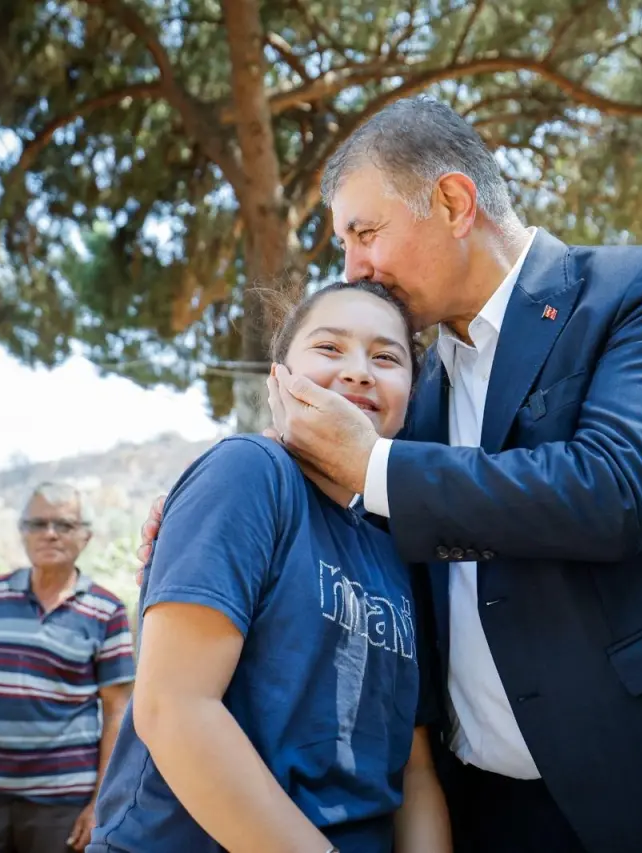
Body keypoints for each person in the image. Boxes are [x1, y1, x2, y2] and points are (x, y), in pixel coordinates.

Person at [143, 97, 642, 852]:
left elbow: (617, 489)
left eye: (364, 233)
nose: (354, 268)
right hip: (498, 817)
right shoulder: (417, 392)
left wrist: (368, 461)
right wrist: (222, 496)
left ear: (454, 202)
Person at [90, 281, 451, 853]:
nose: (358, 372)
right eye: (329, 348)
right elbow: (175, 708)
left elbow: (415, 766)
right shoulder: (249, 472)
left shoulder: (397, 540)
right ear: (279, 378)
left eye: (387, 358)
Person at [0, 483, 134, 852]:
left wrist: (99, 802)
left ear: (86, 536)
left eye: (64, 525)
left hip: (63, 804)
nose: (49, 534)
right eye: (38, 524)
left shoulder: (106, 610)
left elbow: (117, 710)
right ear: (22, 532)